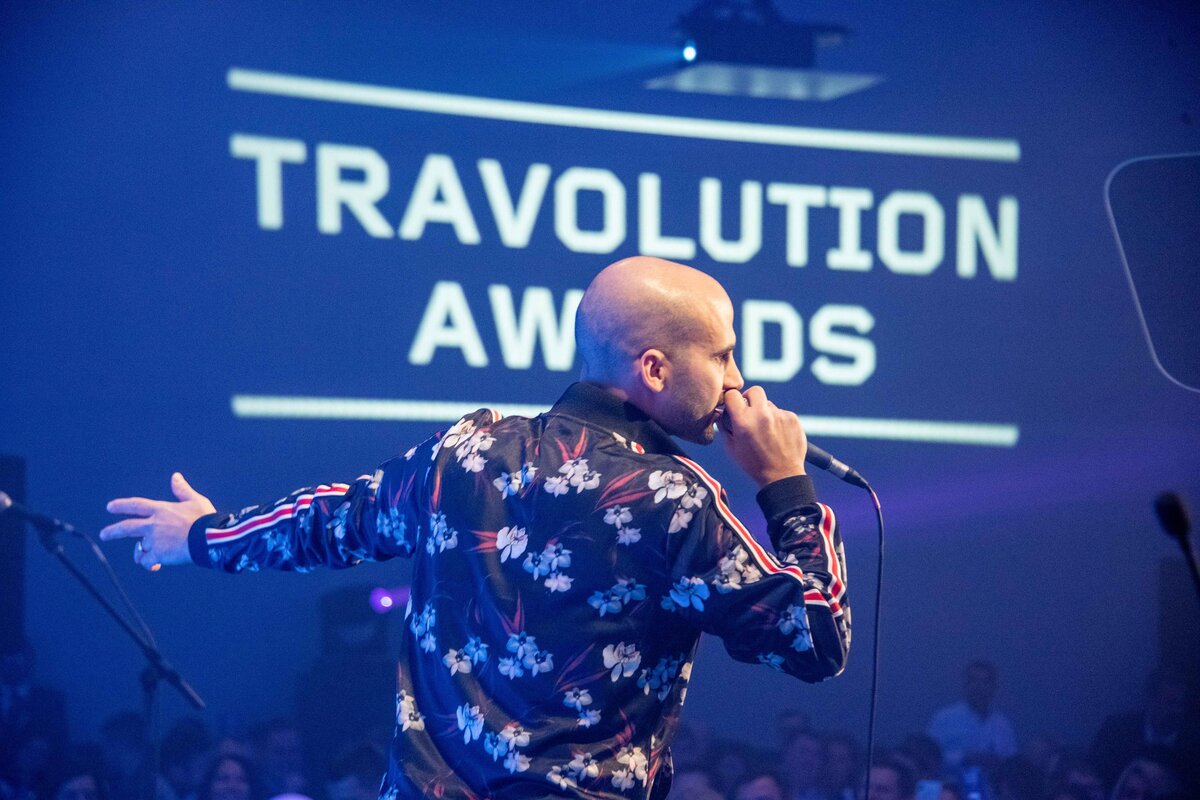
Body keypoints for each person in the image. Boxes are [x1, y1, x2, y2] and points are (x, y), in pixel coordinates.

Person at [100, 256, 852, 799]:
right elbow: (816, 640)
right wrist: (785, 486)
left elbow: (335, 520)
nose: (737, 380)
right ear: (654, 369)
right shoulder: (673, 497)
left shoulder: (467, 451)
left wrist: (201, 535)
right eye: (723, 355)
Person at [926, 660, 1017, 771]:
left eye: (985, 682)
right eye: (973, 681)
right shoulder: (943, 718)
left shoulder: (1003, 724)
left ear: (994, 687)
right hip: (952, 781)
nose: (979, 687)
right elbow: (928, 757)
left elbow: (1012, 762)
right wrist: (963, 758)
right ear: (965, 685)